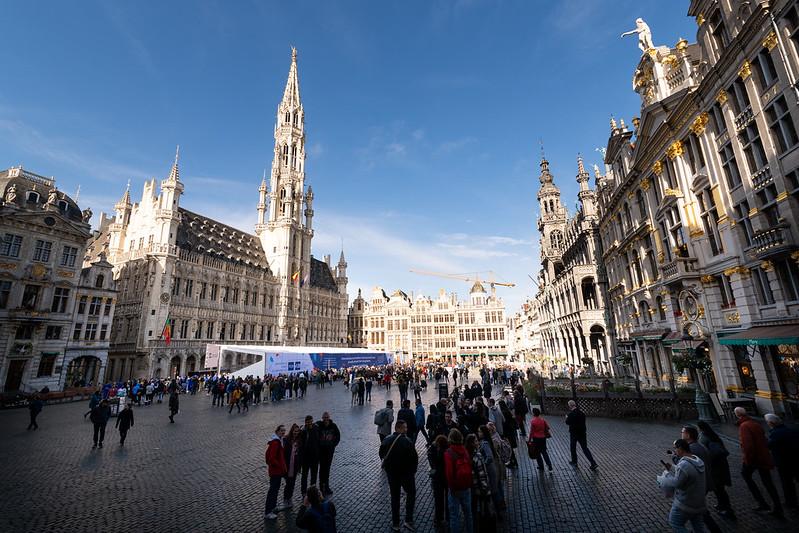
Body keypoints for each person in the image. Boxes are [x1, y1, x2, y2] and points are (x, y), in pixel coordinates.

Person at [735, 407, 783, 517]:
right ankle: (777, 506)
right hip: (763, 456)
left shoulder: (744, 426)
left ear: (737, 415)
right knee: (768, 482)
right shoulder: (755, 423)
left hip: (754, 458)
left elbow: (748, 446)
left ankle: (762, 502)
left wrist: (747, 460)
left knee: (746, 476)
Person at [676, 426, 722, 533]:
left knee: (698, 511)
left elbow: (684, 465)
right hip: (703, 482)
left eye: (682, 432)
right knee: (698, 511)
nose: (681, 434)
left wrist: (675, 457)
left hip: (698, 484)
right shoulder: (700, 446)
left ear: (688, 435)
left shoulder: (692, 449)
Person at [657, 439, 707, 533]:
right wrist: (672, 467)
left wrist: (666, 475)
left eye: (675, 448)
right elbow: (687, 473)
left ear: (680, 448)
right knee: (699, 528)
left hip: (685, 503)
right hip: (699, 503)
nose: (674, 451)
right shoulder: (697, 460)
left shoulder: (684, 464)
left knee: (675, 522)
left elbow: (677, 483)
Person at [380, 420, 418, 532]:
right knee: (411, 493)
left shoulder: (386, 440)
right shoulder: (407, 442)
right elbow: (414, 459)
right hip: (406, 475)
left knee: (395, 497)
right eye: (404, 428)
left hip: (392, 475)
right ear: (398, 428)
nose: (406, 430)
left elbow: (381, 454)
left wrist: (388, 469)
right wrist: (412, 471)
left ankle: (396, 523)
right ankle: (408, 520)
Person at [696, 421, 734, 518]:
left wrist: (708, 459)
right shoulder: (710, 435)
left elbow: (717, 452)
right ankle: (721, 505)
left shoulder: (707, 438)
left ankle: (728, 509)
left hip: (716, 468)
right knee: (717, 489)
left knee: (719, 489)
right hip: (716, 467)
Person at [765, 413, 799, 509]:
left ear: (771, 423)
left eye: (767, 422)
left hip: (784, 463)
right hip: (796, 459)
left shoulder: (775, 434)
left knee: (787, 483)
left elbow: (769, 446)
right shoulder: (793, 429)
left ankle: (791, 502)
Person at [444, 429, 473, 533]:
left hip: (455, 488)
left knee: (454, 516)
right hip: (466, 486)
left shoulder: (448, 453)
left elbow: (449, 474)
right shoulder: (464, 450)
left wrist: (451, 487)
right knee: (468, 514)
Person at [466, 434, 495, 532]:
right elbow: (482, 475)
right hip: (480, 489)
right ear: (472, 444)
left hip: (472, 489)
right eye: (476, 441)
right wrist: (486, 490)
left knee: (474, 511)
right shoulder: (477, 457)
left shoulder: (466, 456)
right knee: (484, 511)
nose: (478, 442)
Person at [565, 400, 598, 470]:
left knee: (573, 448)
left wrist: (567, 417)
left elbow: (567, 422)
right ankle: (593, 463)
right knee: (585, 448)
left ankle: (574, 462)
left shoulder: (570, 414)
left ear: (570, 406)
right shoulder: (582, 413)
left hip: (574, 434)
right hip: (582, 433)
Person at [265, 425, 289, 519]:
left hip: (277, 471)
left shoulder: (279, 440)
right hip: (275, 471)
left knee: (275, 490)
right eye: (281, 431)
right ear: (277, 431)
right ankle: (268, 512)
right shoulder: (276, 443)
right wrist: (280, 466)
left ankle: (273, 507)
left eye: (284, 430)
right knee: (272, 491)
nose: (283, 432)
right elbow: (271, 458)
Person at [427, 435, 449, 531]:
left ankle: (438, 518)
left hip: (437, 477)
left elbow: (432, 462)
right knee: (446, 498)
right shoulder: (446, 451)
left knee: (438, 499)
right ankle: (446, 517)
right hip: (446, 477)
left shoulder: (433, 450)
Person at [316, 412, 340, 497]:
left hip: (329, 451)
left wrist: (333, 445)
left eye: (327, 417)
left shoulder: (333, 426)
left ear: (329, 418)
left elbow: (338, 436)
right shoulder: (319, 425)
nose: (325, 419)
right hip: (321, 451)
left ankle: (326, 486)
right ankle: (321, 487)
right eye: (324, 418)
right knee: (322, 469)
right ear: (322, 418)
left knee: (327, 469)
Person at [283, 423, 303, 510]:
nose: (296, 433)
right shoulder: (287, 440)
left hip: (295, 465)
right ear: (292, 431)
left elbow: (300, 454)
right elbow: (284, 454)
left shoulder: (299, 441)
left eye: (298, 431)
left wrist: (299, 467)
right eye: (295, 431)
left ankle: (290, 497)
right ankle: (286, 498)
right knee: (288, 483)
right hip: (287, 465)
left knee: (293, 482)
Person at [300, 415, 320, 496]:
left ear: (312, 421)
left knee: (314, 475)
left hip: (315, 456)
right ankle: (304, 491)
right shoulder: (303, 431)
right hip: (306, 458)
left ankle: (313, 491)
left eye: (311, 422)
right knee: (304, 475)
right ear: (305, 422)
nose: (309, 424)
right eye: (308, 422)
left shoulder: (316, 428)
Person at [528, 408, 552, 472]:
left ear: (534, 413)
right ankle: (550, 467)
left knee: (537, 453)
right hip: (543, 438)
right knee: (544, 452)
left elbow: (531, 432)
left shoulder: (533, 421)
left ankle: (541, 466)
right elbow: (548, 428)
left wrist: (529, 440)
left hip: (536, 439)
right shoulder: (543, 420)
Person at [498, 400, 518, 468]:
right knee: (511, 447)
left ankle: (513, 461)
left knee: (509, 447)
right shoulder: (508, 411)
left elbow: (503, 422)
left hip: (507, 432)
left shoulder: (503, 412)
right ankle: (514, 461)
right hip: (511, 431)